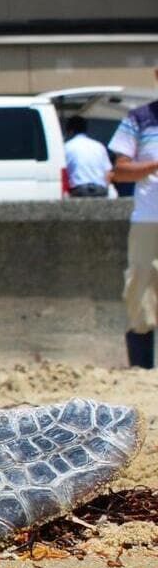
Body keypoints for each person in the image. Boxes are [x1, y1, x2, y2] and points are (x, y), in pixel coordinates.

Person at [109, 67, 158, 368]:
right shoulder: (139, 118)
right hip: (148, 216)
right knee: (140, 285)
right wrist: (153, 165)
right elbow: (121, 170)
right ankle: (141, 367)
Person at [64, 116, 113, 198]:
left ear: (70, 131)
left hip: (78, 190)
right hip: (100, 190)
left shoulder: (66, 147)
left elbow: (64, 173)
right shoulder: (99, 146)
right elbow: (108, 173)